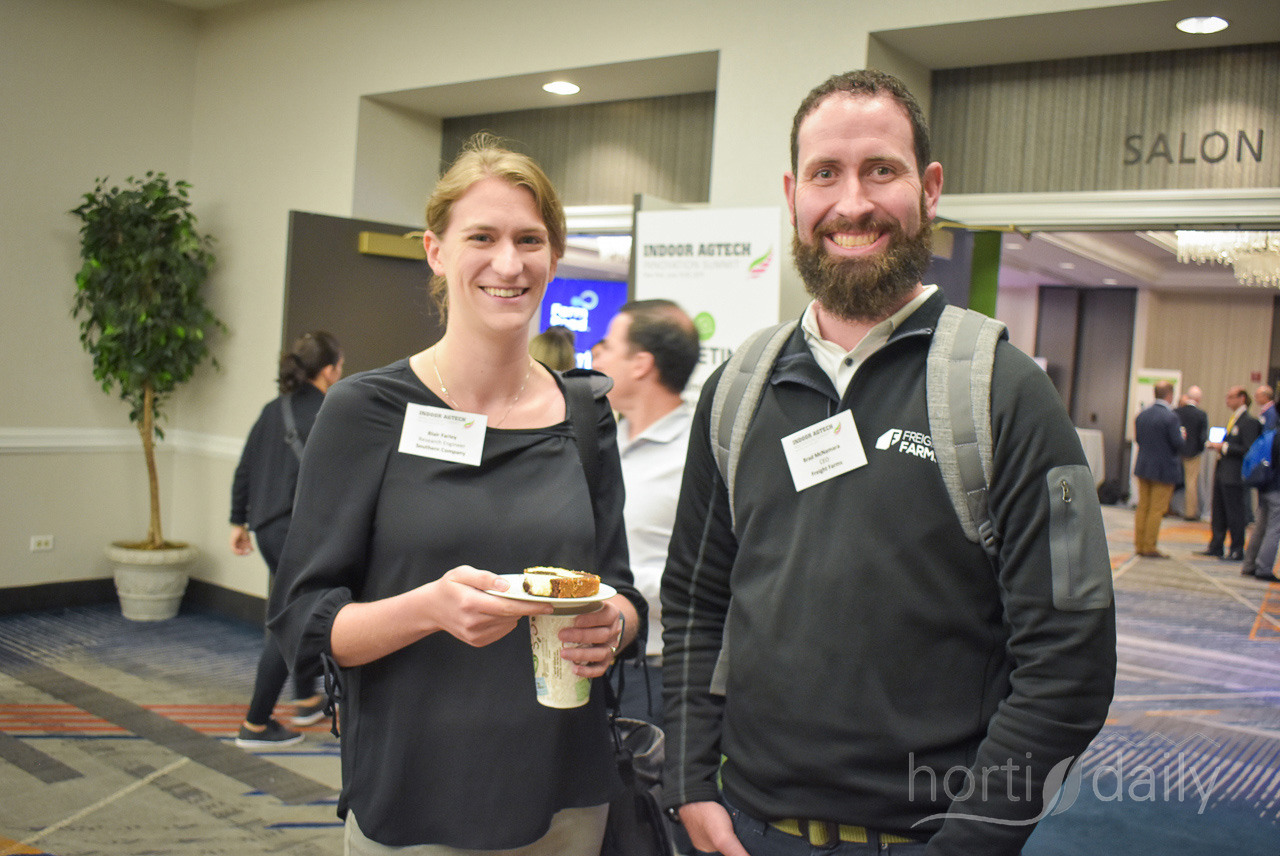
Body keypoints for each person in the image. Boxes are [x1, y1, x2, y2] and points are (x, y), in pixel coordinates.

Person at [660, 69, 1116, 856]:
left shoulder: (1004, 392)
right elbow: (696, 601)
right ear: (792, 194)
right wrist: (689, 781)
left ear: (929, 188)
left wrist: (972, 841)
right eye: (824, 174)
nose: (852, 204)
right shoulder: (736, 390)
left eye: (881, 170)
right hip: (747, 828)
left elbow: (1069, 663)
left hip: (928, 837)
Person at [268, 134, 644, 854]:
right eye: (482, 237)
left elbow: (621, 591)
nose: (509, 263)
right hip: (416, 794)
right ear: (436, 251)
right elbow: (302, 621)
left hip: (564, 792)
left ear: (554, 256)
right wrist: (427, 611)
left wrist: (614, 624)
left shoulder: (584, 415)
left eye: (529, 240)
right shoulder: (364, 411)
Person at [229, 330, 343, 747]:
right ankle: (255, 725)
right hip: (299, 533)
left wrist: (237, 522)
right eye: (340, 365)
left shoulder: (273, 409)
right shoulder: (330, 413)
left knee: (297, 606)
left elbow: (245, 467)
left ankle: (306, 699)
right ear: (328, 371)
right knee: (288, 620)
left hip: (268, 529)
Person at [590, 298, 700, 726]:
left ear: (641, 364)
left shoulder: (699, 454)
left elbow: (715, 577)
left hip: (658, 674)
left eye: (608, 346)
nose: (596, 355)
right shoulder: (601, 440)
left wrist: (614, 589)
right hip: (587, 664)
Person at [1200, 385, 1261, 560]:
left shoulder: (1249, 422)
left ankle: (1236, 548)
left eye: (1231, 397)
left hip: (1235, 475)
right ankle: (1216, 545)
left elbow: (1248, 449)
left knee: (1235, 513)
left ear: (1242, 398)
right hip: (1223, 472)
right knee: (1218, 510)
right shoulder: (1234, 419)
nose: (1227, 400)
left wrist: (1224, 447)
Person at [1132, 381, 1184, 558]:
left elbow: (1138, 439)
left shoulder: (1142, 415)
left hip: (1143, 466)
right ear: (1170, 395)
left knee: (1143, 507)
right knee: (1156, 509)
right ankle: (1149, 546)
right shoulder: (1171, 417)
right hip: (1164, 470)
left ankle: (1139, 545)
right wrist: (1183, 437)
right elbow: (1177, 443)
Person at [1241, 383, 1278, 577]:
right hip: (1276, 488)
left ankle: (1249, 565)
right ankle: (1264, 568)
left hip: (1264, 486)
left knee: (1260, 527)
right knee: (1274, 529)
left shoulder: (1271, 434)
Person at [1175, 386, 1209, 520]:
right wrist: (1199, 449)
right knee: (1191, 483)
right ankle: (1190, 513)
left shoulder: (1176, 412)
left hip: (1176, 451)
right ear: (1199, 399)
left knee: (1170, 481)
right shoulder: (1201, 414)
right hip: (1193, 453)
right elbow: (1202, 436)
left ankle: (1165, 508)